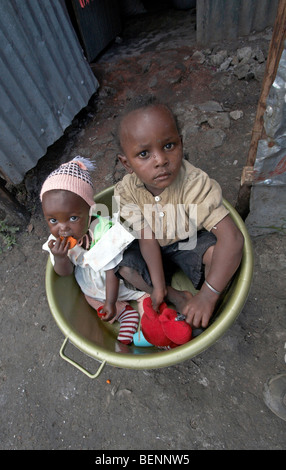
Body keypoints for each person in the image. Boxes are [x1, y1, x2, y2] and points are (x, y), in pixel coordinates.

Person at [114, 96, 244, 329]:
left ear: (181, 143)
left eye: (168, 146)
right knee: (123, 266)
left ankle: (207, 302)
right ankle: (176, 296)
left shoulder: (193, 184)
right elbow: (147, 238)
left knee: (219, 255)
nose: (161, 160)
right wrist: (159, 286)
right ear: (127, 164)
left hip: (188, 242)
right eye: (144, 154)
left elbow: (233, 238)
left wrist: (208, 294)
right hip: (151, 247)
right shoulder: (126, 192)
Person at [40, 156, 147, 345]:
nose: (63, 228)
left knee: (141, 291)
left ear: (90, 210)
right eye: (53, 220)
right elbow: (65, 273)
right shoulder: (56, 243)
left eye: (73, 218)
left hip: (118, 281)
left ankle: (149, 319)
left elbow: (111, 270)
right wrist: (61, 257)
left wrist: (110, 302)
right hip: (92, 286)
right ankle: (126, 314)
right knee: (88, 297)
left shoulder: (101, 230)